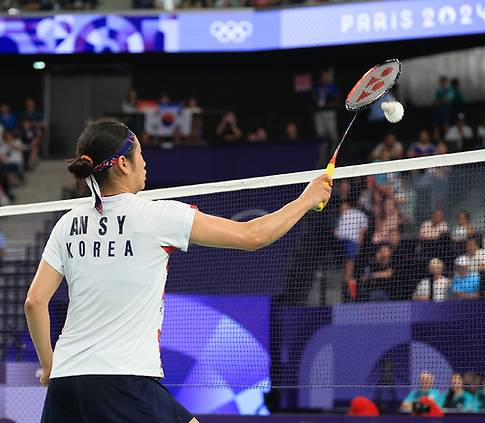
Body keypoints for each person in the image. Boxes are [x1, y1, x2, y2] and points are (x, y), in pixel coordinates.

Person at [23, 118, 332, 423]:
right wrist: (306, 199)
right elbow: (252, 236)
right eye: (140, 155)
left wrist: (50, 366)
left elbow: (34, 302)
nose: (145, 163)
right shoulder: (156, 216)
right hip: (123, 380)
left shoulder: (67, 224)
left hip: (65, 384)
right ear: (123, 164)